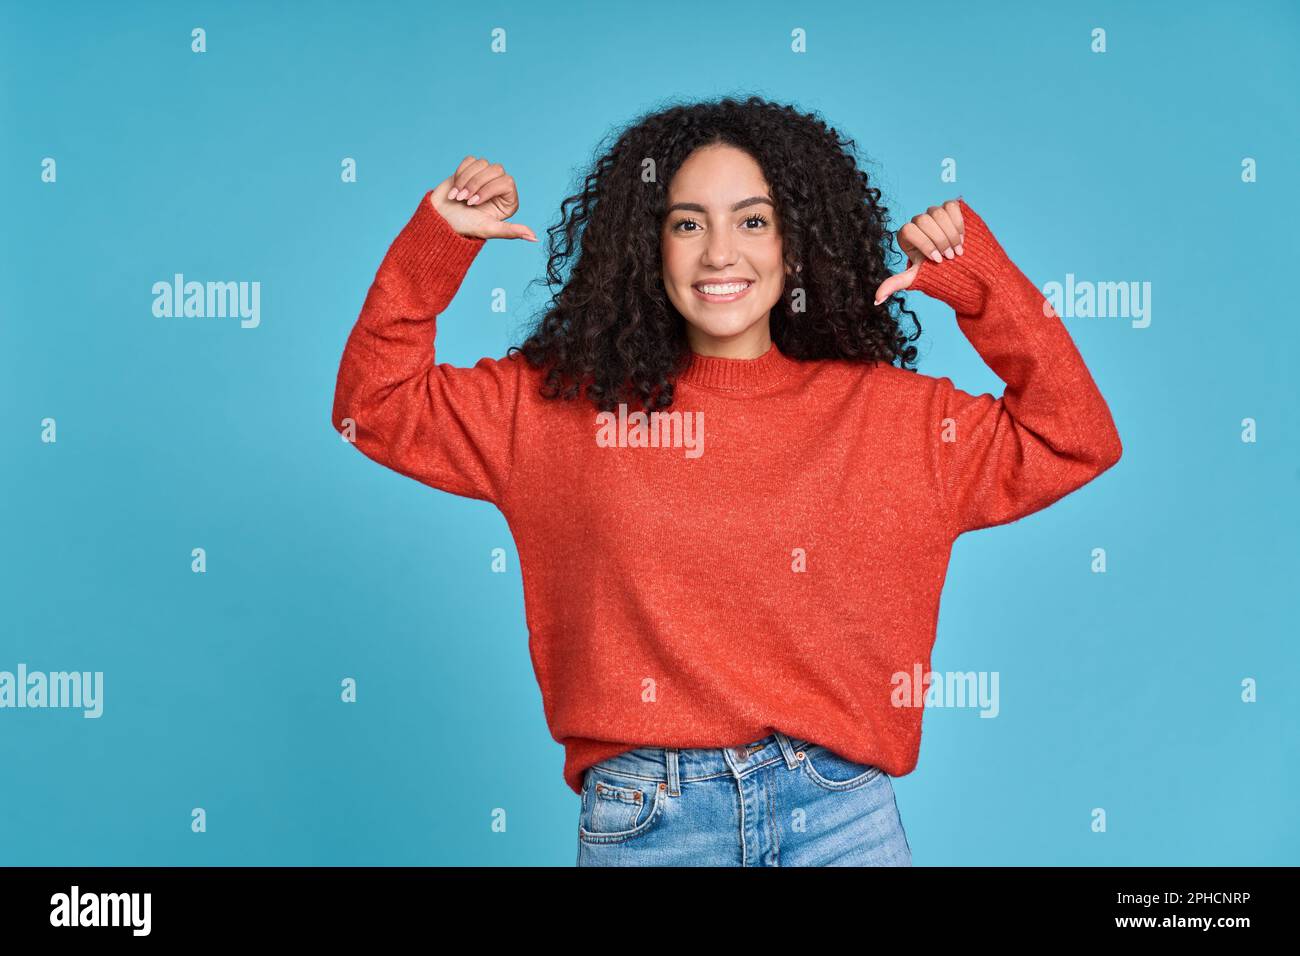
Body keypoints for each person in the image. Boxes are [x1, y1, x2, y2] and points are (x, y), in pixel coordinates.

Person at [330, 96, 1122, 866]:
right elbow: (374, 406)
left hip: (842, 816)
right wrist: (438, 242)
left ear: (797, 243)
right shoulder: (557, 411)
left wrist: (979, 284)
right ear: (649, 246)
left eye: (753, 220)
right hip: (649, 821)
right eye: (686, 224)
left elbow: (1074, 438)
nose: (719, 254)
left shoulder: (897, 419)